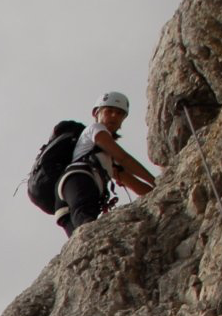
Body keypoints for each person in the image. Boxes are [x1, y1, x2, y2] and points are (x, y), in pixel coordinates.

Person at [56, 91, 156, 237]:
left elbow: (132, 182)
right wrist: (156, 181)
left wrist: (158, 190)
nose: (114, 116)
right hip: (79, 181)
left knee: (83, 238)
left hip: (67, 200)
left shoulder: (105, 158)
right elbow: (124, 159)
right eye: (109, 111)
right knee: (87, 232)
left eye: (120, 113)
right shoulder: (95, 129)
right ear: (96, 113)